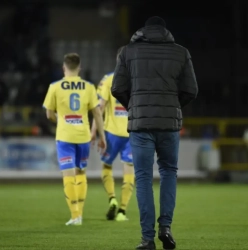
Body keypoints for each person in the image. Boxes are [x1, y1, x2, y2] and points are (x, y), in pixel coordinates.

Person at [112, 16, 198, 250]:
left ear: (142, 30)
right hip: (169, 125)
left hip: (140, 126)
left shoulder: (127, 52)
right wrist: (173, 107)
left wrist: (134, 107)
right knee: (169, 172)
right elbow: (191, 90)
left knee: (142, 178)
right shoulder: (181, 52)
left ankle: (147, 239)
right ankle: (166, 228)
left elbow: (117, 88)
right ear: (165, 31)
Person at [42, 53, 106, 226]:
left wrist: (61, 119)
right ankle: (80, 214)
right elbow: (97, 113)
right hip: (83, 136)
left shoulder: (54, 86)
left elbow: (48, 114)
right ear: (80, 68)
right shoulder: (88, 87)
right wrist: (102, 136)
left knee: (68, 176)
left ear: (64, 67)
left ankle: (75, 215)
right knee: (81, 174)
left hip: (65, 136)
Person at [91, 47, 135, 222]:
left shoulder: (108, 79)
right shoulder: (138, 80)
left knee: (106, 167)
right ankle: (122, 211)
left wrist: (94, 130)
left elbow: (99, 108)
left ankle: (112, 198)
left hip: (111, 133)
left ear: (117, 60)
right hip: (132, 132)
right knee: (129, 170)